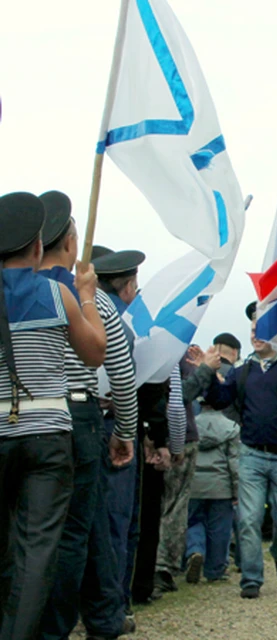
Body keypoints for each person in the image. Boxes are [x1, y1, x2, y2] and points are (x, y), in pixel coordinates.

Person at [0, 192, 106, 639]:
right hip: (48, 435)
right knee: (38, 548)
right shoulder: (56, 293)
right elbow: (94, 353)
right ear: (38, 247)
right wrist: (87, 297)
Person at [36, 191, 137, 640]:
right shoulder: (87, 298)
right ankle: (59, 626)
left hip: (24, 419)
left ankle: (102, 615)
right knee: (74, 531)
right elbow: (121, 371)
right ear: (71, 243)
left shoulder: (15, 294)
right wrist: (126, 431)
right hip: (79, 416)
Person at [190, 302, 277, 599]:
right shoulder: (243, 371)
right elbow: (220, 399)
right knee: (248, 519)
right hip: (252, 454)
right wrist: (208, 372)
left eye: (263, 328)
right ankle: (251, 578)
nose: (256, 334)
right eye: (253, 329)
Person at [91, 246, 186, 609]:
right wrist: (151, 435)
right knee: (120, 523)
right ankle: (114, 605)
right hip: (119, 430)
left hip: (67, 424)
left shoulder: (73, 313)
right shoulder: (129, 327)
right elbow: (159, 391)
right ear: (129, 286)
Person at [184, 377, 240, 585]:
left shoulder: (191, 426)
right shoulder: (231, 427)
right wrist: (237, 490)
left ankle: (195, 550)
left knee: (193, 521)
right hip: (220, 485)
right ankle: (215, 569)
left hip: (194, 483)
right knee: (219, 528)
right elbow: (234, 463)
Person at [154, 354, 202, 596]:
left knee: (153, 505)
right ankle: (164, 567)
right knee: (175, 506)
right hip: (179, 438)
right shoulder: (176, 355)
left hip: (147, 434)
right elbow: (178, 400)